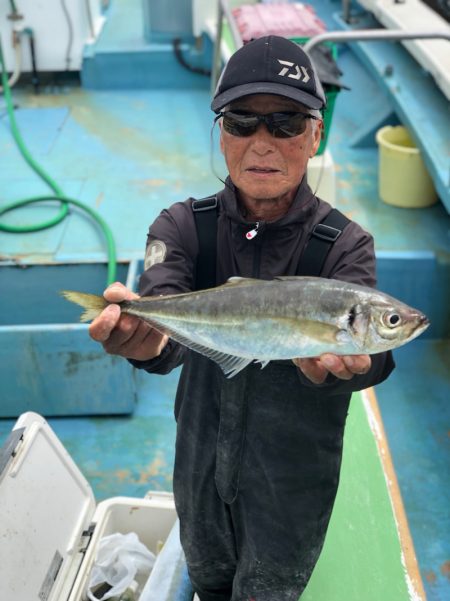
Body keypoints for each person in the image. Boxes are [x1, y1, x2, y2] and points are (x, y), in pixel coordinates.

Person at [89, 36, 395, 601]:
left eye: (285, 123)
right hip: (199, 459)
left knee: (270, 591)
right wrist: (145, 345)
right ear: (221, 132)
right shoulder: (182, 227)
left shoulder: (345, 246)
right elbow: (165, 339)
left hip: (294, 478)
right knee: (207, 580)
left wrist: (342, 368)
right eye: (240, 122)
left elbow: (375, 354)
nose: (263, 143)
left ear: (316, 134)